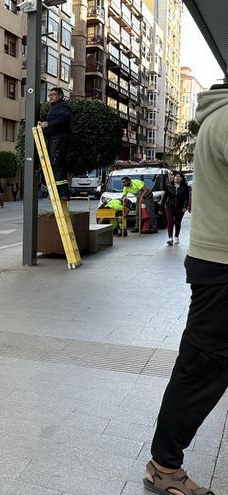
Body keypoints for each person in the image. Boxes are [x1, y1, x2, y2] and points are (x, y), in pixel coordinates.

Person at [145, 83, 228, 495]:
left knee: (205, 366)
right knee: (201, 369)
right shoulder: (227, 119)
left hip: (216, 262)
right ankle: (164, 465)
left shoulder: (217, 118)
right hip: (222, 268)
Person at [37, 87, 72, 202]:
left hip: (58, 140)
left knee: (57, 164)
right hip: (54, 139)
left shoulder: (62, 107)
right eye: (49, 95)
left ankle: (62, 193)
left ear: (60, 96)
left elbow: (65, 118)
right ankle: (57, 190)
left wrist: (49, 123)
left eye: (53, 94)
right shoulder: (56, 108)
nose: (50, 96)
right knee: (54, 164)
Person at [164, 171, 190, 246]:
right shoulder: (169, 186)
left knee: (177, 222)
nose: (177, 178)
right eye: (176, 176)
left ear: (181, 179)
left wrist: (185, 207)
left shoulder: (184, 188)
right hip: (170, 206)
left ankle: (176, 236)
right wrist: (161, 208)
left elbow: (186, 198)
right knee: (170, 222)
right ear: (174, 178)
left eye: (179, 177)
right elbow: (165, 197)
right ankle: (170, 238)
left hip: (180, 207)